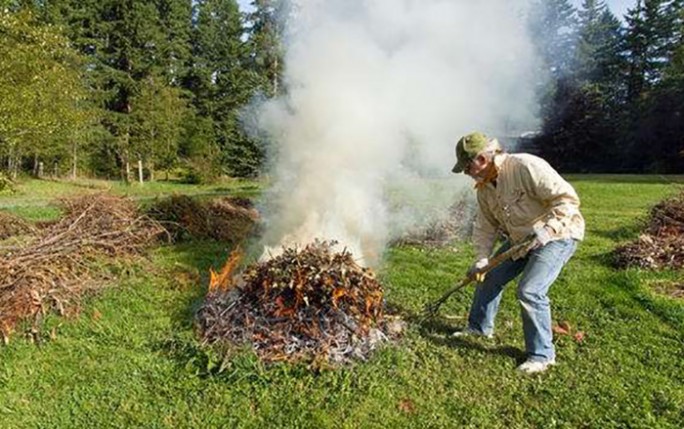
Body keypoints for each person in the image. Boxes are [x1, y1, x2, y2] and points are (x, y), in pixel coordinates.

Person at [450, 131, 585, 374]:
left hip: (559, 235)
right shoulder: (484, 189)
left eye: (467, 167)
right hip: (521, 240)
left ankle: (542, 355)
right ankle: (480, 328)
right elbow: (485, 227)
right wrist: (482, 259)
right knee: (490, 275)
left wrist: (549, 228)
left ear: (481, 159)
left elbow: (567, 200)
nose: (466, 173)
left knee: (530, 290)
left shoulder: (525, 166)